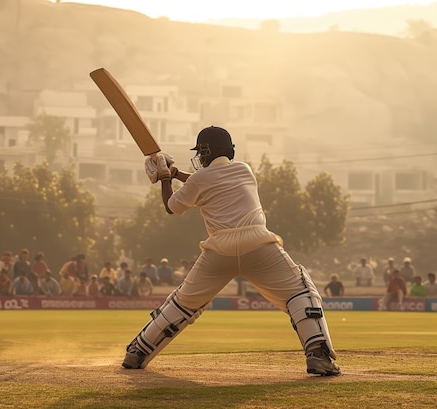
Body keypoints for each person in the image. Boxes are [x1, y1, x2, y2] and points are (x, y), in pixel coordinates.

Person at [122, 126, 340, 376]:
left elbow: (173, 206)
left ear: (206, 151)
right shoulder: (244, 170)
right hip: (258, 245)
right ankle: (318, 354)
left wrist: (165, 179)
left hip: (219, 251)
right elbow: (205, 181)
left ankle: (137, 352)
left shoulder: (199, 179)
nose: (199, 158)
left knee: (183, 303)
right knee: (301, 293)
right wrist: (173, 172)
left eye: (201, 152)